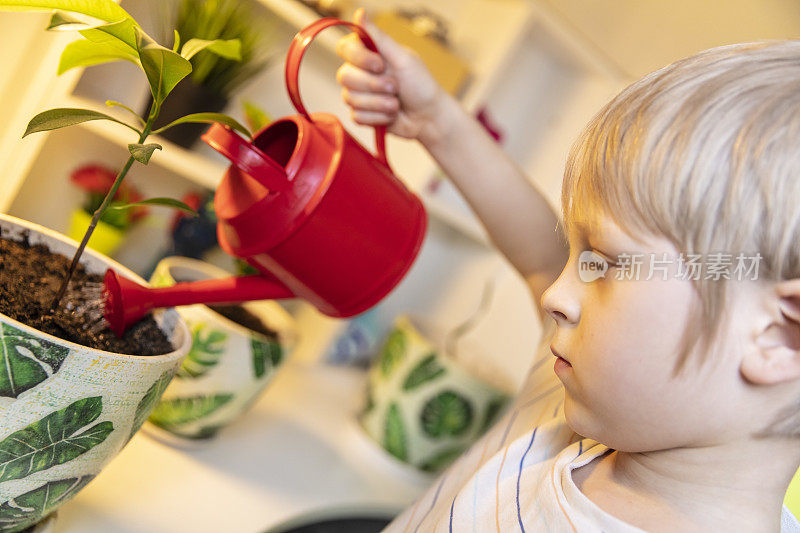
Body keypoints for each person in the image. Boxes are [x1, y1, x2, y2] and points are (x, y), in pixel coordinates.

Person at [336, 8, 800, 532]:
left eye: (602, 265)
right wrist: (437, 123)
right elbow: (540, 255)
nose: (555, 294)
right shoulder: (570, 414)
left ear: (779, 336)